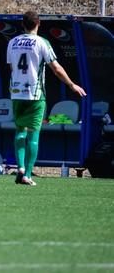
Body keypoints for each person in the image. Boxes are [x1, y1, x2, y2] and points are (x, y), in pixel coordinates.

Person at [6, 11, 86, 186]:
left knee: (20, 130)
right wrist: (72, 85)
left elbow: (12, 68)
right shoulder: (42, 42)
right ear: (38, 23)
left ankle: (19, 167)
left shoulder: (12, 43)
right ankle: (27, 174)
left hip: (17, 92)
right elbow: (56, 68)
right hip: (35, 94)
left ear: (22, 24)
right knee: (33, 135)